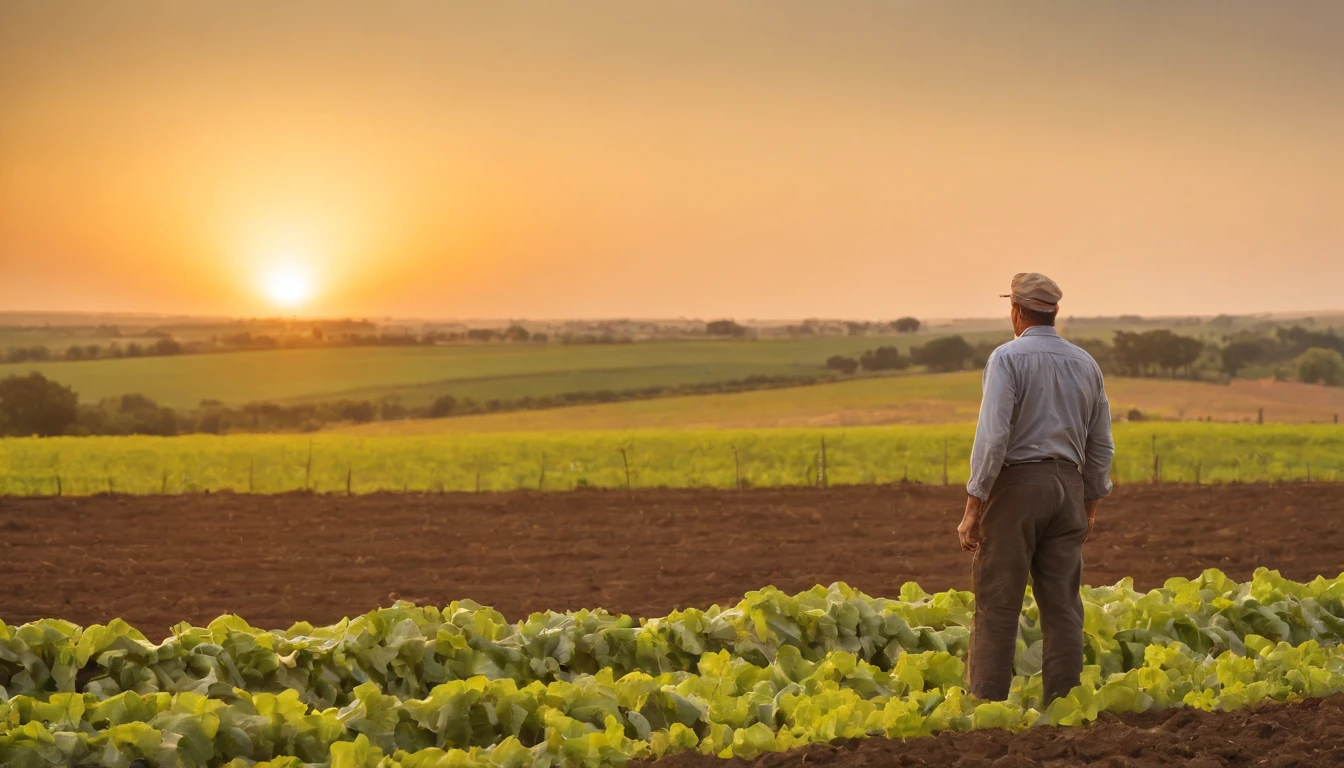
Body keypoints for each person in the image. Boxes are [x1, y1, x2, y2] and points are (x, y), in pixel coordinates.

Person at [956, 272, 1114, 705]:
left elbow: (992, 438)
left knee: (998, 604)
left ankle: (986, 707)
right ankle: (1063, 706)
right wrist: (1090, 504)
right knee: (1063, 608)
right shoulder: (1086, 364)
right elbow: (1101, 444)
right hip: (1069, 489)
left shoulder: (1007, 359)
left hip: (1018, 489)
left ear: (1017, 310)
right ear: (1054, 312)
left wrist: (974, 506)